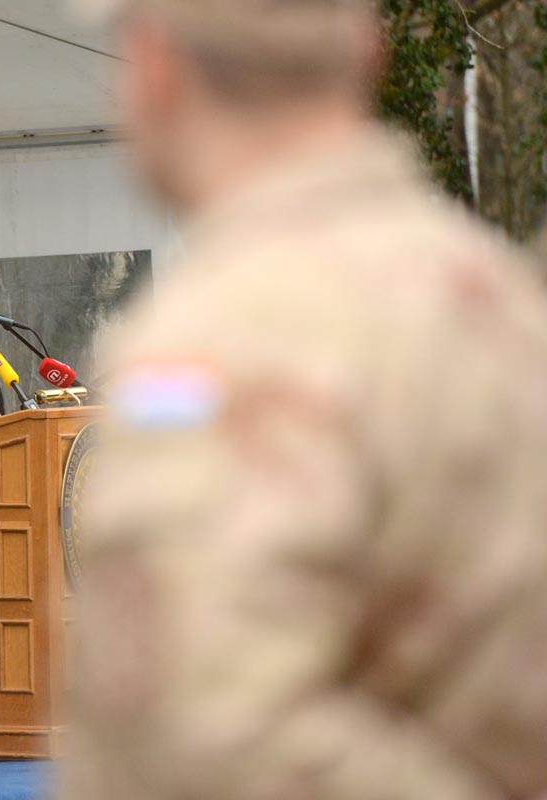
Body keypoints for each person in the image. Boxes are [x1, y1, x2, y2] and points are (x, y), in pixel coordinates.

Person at [66, 1, 547, 798]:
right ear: (368, 55)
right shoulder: (500, 298)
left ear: (155, 69)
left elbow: (206, 731)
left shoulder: (225, 335)